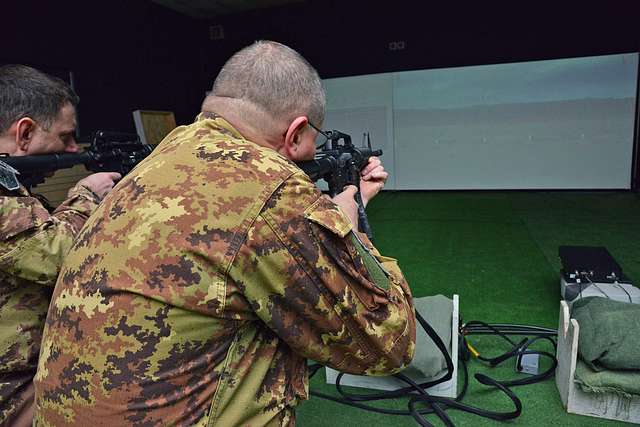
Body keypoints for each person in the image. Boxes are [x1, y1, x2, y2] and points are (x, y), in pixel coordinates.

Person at [33, 41, 416, 426]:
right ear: (297, 133)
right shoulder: (271, 189)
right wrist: (348, 231)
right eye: (315, 138)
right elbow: (388, 343)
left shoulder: (160, 159)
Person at [0, 64, 121, 426]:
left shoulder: (11, 185)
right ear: (24, 133)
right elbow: (59, 255)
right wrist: (88, 196)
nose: (72, 148)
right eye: (66, 137)